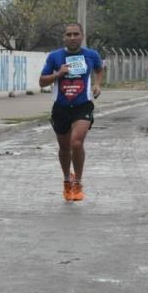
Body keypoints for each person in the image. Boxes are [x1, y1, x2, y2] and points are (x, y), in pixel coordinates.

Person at [39, 23, 103, 202]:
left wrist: (97, 84)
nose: (73, 37)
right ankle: (67, 180)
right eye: (69, 34)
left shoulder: (91, 55)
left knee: (76, 143)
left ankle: (79, 183)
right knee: (65, 148)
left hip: (83, 105)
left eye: (76, 34)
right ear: (64, 37)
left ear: (82, 36)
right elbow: (42, 82)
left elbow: (99, 69)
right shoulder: (55, 56)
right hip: (61, 107)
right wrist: (58, 74)